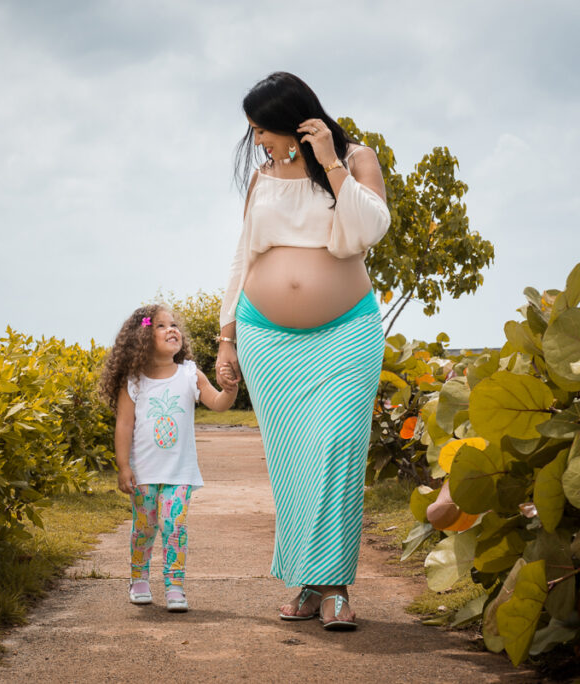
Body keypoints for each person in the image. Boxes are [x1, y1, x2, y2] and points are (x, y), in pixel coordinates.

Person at [215, 72, 391, 631]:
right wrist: (227, 337)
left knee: (337, 445)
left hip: (345, 331)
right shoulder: (262, 178)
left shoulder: (356, 158)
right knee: (293, 462)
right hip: (267, 337)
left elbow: (366, 231)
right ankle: (309, 583)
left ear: (294, 119)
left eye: (262, 130)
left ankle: (335, 584)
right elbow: (243, 256)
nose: (257, 142)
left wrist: (329, 162)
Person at [98, 304, 238, 613]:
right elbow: (124, 425)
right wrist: (123, 467)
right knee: (145, 528)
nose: (171, 329)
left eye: (173, 325)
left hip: (179, 473)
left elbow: (216, 402)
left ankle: (175, 586)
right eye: (160, 326)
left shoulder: (189, 373)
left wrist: (229, 390)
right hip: (143, 473)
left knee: (174, 526)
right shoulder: (134, 381)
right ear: (142, 339)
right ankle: (139, 580)